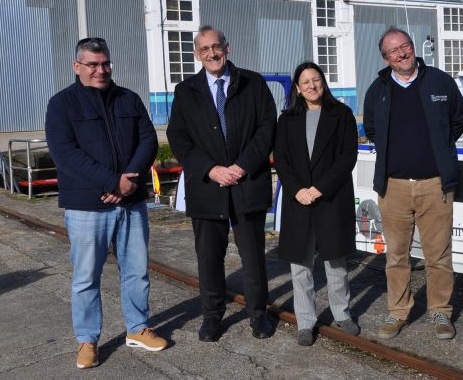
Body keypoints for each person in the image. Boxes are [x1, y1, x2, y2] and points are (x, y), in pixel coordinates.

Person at [45, 37, 167, 369]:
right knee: (86, 276)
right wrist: (112, 181)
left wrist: (128, 177)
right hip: (87, 206)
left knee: (136, 271)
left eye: (106, 64)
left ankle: (138, 328)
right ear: (77, 66)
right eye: (93, 64)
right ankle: (87, 340)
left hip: (131, 202)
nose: (101, 70)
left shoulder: (129, 99)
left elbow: (148, 140)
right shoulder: (62, 105)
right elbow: (65, 154)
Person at [166, 26, 277, 342]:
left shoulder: (253, 83)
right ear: (196, 55)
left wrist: (242, 166)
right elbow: (179, 138)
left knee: (254, 257)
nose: (212, 54)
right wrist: (211, 169)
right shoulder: (185, 91)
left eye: (216, 47)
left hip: (247, 182)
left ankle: (258, 314)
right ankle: (212, 317)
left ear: (227, 48)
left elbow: (267, 128)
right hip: (207, 187)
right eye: (204, 49)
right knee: (209, 257)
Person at [363, 27, 463, 340]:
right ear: (386, 58)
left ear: (413, 47)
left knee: (438, 254)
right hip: (393, 187)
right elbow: (371, 130)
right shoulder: (377, 90)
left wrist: (437, 148)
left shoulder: (439, 81)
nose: (402, 53)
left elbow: (458, 121)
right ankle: (397, 313)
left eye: (405, 46)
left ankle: (440, 312)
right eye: (394, 50)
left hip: (434, 184)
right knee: (396, 256)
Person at [273, 62, 360, 346]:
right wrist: (298, 189)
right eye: (305, 81)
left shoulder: (342, 114)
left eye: (316, 79)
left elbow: (347, 157)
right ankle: (305, 321)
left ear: (323, 82)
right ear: (297, 88)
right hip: (299, 200)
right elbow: (282, 160)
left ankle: (342, 313)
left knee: (336, 261)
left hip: (331, 197)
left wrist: (319, 188)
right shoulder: (286, 119)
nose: (311, 85)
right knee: (301, 265)